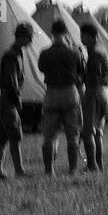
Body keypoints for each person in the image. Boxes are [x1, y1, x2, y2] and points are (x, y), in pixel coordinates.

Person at [37, 18, 85, 176]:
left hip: (51, 92)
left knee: (49, 136)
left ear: (52, 34)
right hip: (70, 92)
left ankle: (49, 170)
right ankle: (72, 169)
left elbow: (42, 68)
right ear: (65, 33)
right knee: (73, 135)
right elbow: (81, 72)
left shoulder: (44, 54)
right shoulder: (75, 52)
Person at [0, 22, 34, 180]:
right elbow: (11, 82)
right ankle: (19, 171)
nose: (30, 41)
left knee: (3, 137)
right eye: (29, 37)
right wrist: (17, 100)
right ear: (22, 36)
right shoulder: (12, 56)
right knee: (15, 135)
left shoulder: (16, 53)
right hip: (8, 100)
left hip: (4, 99)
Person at [80, 20, 108, 173]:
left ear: (90, 36)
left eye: (82, 35)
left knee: (88, 131)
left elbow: (93, 76)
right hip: (103, 92)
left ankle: (92, 165)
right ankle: (98, 165)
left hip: (94, 92)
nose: (81, 38)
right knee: (98, 132)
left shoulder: (95, 53)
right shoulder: (100, 50)